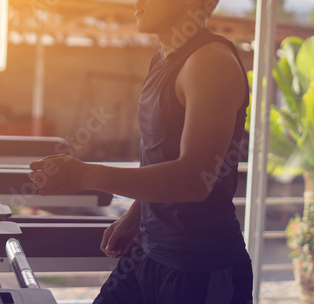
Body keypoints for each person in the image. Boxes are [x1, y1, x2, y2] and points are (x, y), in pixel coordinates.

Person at [29, 0, 253, 303]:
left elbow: (194, 180)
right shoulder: (162, 59)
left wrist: (87, 174)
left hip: (199, 266)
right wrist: (136, 215)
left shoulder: (211, 62)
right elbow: (161, 156)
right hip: (147, 251)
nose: (138, 1)